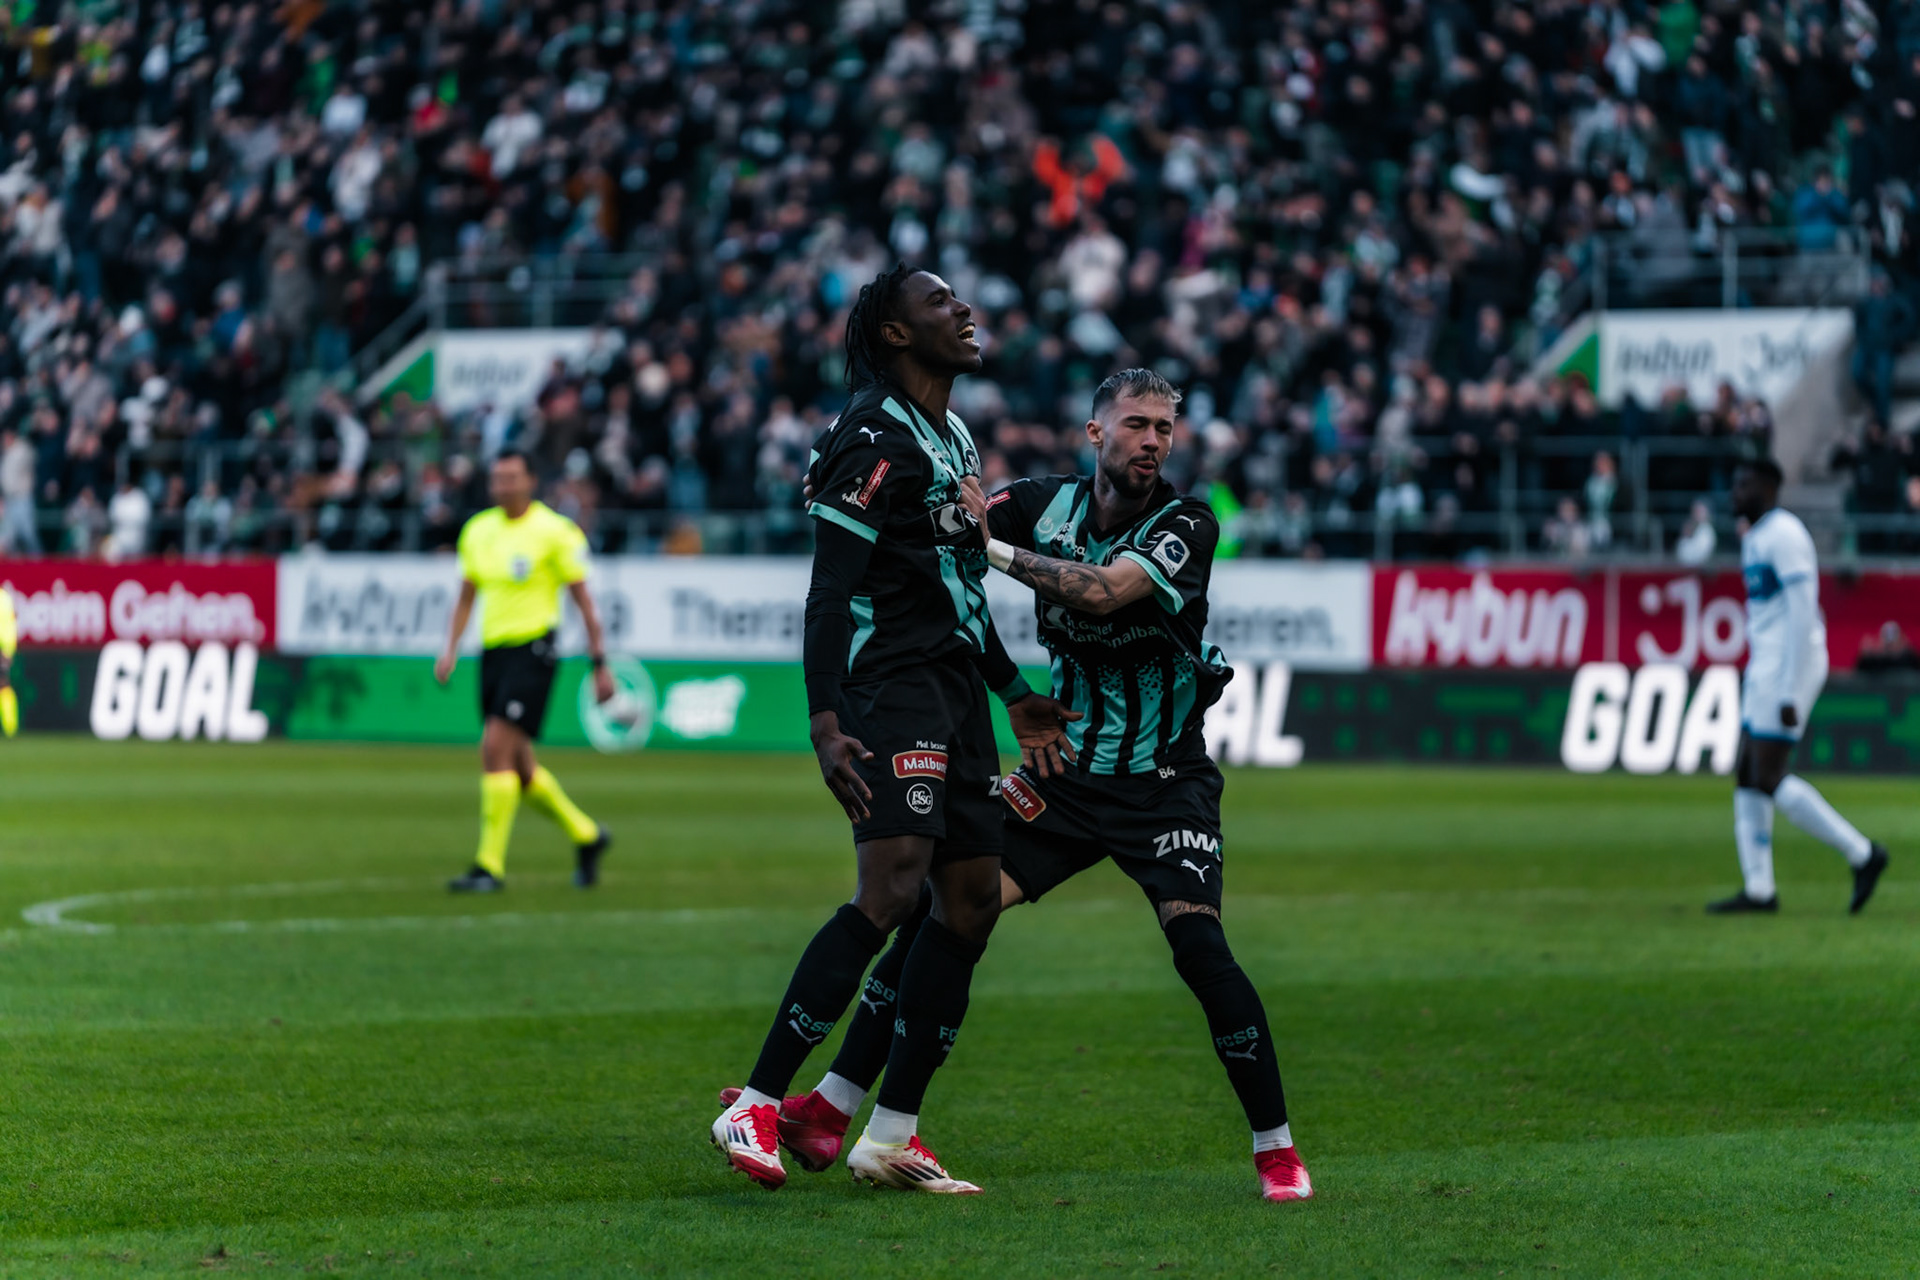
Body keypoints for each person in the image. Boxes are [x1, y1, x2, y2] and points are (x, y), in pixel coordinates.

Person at [738, 369, 1312, 1204]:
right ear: (1095, 433)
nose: (1152, 441)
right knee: (951, 907)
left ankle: (1277, 1151)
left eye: (1165, 428)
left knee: (1200, 949)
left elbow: (1109, 594)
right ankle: (844, 1112)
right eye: (1136, 424)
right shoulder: (1040, 503)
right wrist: (845, 485)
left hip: (1164, 783)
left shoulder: (1186, 523)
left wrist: (989, 544)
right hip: (1065, 773)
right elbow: (931, 525)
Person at [707, 264, 1074, 1194]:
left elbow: (959, 590)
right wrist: (826, 720)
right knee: (889, 888)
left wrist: (1012, 691)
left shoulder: (950, 434)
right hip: (888, 686)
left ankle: (887, 1132)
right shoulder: (872, 436)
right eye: (940, 302)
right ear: (898, 335)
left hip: (953, 692)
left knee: (969, 904)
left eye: (961, 295)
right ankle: (754, 1101)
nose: (965, 308)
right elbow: (830, 593)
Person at [1708, 459, 1890, 915]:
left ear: (1769, 487)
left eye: (1743, 484)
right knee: (1747, 772)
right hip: (1765, 664)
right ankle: (1759, 890)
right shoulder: (1755, 537)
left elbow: (1802, 611)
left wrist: (1790, 688)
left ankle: (1862, 854)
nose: (1735, 493)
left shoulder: (1786, 535)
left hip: (1790, 664)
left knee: (1767, 774)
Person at [433, 447, 613, 893]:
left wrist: (599, 663)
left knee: (494, 749)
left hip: (534, 651)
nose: (503, 486)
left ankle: (488, 867)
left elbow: (584, 601)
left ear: (530, 481)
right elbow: (467, 595)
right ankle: (587, 836)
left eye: (512, 477)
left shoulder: (554, 532)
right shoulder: (478, 530)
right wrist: (450, 649)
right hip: (493, 654)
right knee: (521, 766)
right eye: (497, 478)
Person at [0, 584, 16, 737]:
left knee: (3, 684)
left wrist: (7, 650)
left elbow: (8, 627)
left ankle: (10, 727)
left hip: (1, 648)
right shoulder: (5, 597)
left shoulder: (4, 598)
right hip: (4, 648)